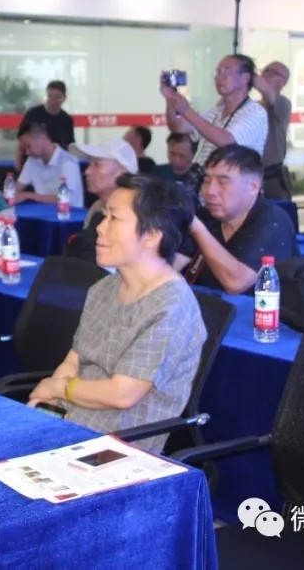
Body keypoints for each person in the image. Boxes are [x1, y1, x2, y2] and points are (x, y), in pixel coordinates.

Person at [28, 176, 206, 453]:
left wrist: (57, 389)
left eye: (114, 218)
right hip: (71, 422)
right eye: (104, 216)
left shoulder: (171, 307)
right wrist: (48, 406)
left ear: (152, 236)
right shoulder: (105, 287)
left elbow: (123, 394)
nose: (100, 227)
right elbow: (74, 358)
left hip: (120, 446)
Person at [176, 145, 299, 294]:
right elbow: (171, 266)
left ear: (253, 187)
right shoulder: (206, 218)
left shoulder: (273, 221)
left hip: (259, 308)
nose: (209, 191)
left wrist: (197, 228)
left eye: (222, 182)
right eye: (206, 180)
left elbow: (236, 283)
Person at [161, 54, 269, 169]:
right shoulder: (215, 111)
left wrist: (187, 111)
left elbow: (228, 142)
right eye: (218, 72)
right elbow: (177, 127)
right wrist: (170, 98)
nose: (219, 77)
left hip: (233, 179)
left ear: (245, 78)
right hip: (206, 175)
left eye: (226, 71)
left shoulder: (255, 112)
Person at [64, 139, 139, 263]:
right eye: (89, 164)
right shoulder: (97, 207)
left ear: (122, 171)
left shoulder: (137, 211)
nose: (87, 171)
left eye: (97, 165)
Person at [16, 121, 84, 208]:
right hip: (43, 213)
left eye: (28, 146)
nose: (27, 152)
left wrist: (29, 196)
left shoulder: (68, 162)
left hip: (69, 214)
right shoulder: (32, 161)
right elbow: (18, 187)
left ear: (41, 138)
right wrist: (7, 194)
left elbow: (66, 198)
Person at [254, 62, 293, 200]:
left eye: (273, 72)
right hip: (252, 176)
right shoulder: (253, 106)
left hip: (272, 180)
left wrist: (244, 73)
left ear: (283, 83)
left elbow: (265, 89)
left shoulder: (283, 104)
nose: (266, 74)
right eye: (265, 70)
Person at [14, 80, 74, 171]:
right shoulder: (33, 114)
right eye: (50, 96)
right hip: (32, 165)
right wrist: (18, 164)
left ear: (64, 98)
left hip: (56, 168)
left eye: (57, 97)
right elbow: (21, 143)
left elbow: (69, 146)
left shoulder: (66, 120)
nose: (53, 101)